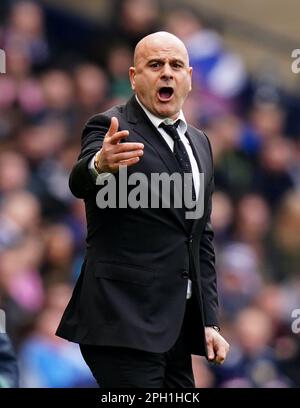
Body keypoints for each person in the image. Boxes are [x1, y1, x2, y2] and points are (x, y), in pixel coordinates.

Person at [56, 31, 229, 388]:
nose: (167, 72)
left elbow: (201, 239)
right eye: (155, 64)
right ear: (134, 77)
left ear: (189, 78)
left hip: (175, 330)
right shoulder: (111, 127)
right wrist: (100, 165)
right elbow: (80, 181)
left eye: (176, 65)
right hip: (121, 321)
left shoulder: (200, 142)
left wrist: (208, 322)